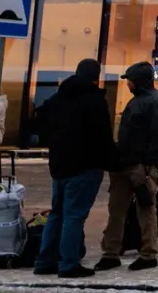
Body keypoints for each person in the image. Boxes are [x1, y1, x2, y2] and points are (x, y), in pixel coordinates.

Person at [32, 59, 116, 278]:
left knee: (56, 214)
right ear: (96, 76)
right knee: (74, 216)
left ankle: (44, 261)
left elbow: (40, 121)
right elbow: (103, 138)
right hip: (85, 166)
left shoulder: (58, 98)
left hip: (60, 165)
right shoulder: (94, 101)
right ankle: (68, 264)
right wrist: (110, 162)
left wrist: (55, 142)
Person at [97, 62, 158, 272]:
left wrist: (149, 164)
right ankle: (113, 251)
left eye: (129, 79)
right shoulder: (145, 100)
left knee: (143, 209)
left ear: (138, 81)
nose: (127, 83)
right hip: (127, 163)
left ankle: (146, 253)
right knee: (120, 209)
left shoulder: (152, 102)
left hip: (139, 164)